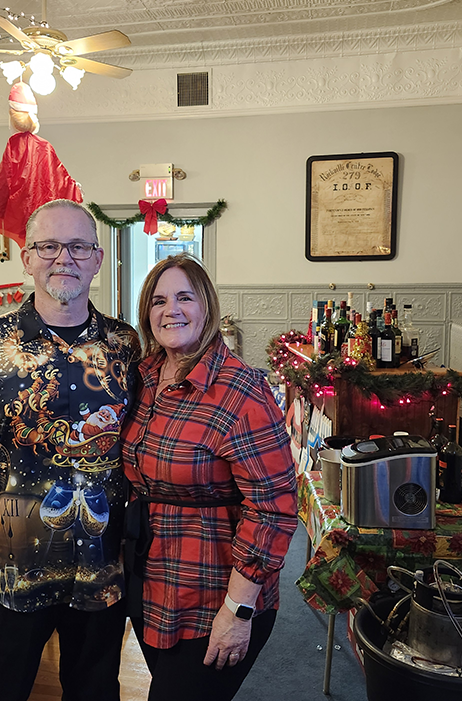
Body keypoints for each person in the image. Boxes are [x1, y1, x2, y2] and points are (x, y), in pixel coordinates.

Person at [0, 199, 141, 701]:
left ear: (97, 259)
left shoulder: (125, 346)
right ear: (27, 258)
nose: (63, 258)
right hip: (10, 571)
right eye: (48, 246)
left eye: (78, 246)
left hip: (101, 571)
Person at [120, 254, 297, 701]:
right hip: (151, 581)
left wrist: (238, 610)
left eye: (184, 297)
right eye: (158, 300)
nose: (171, 310)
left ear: (207, 306)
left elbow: (274, 509)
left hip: (212, 591)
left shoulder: (241, 390)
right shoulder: (143, 377)